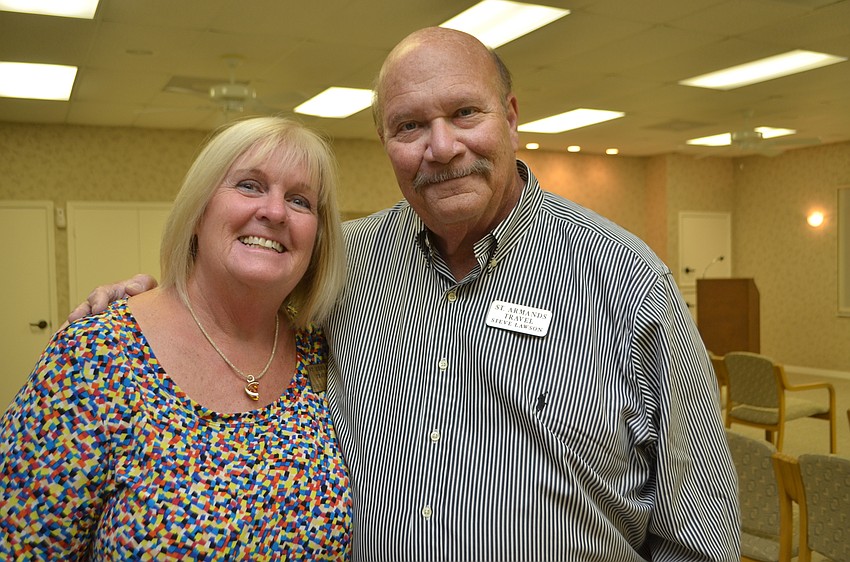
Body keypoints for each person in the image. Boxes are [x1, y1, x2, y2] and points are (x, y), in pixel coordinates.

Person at [66, 27, 740, 561]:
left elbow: (699, 532)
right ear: (385, 140)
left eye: (464, 113)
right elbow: (238, 303)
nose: (441, 147)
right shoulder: (339, 266)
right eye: (410, 125)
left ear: (510, 117)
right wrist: (148, 307)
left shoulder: (627, 282)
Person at [0, 116, 352, 560]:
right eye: (249, 185)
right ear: (197, 213)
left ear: (318, 239)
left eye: (300, 200)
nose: (275, 212)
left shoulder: (320, 351)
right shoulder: (95, 357)